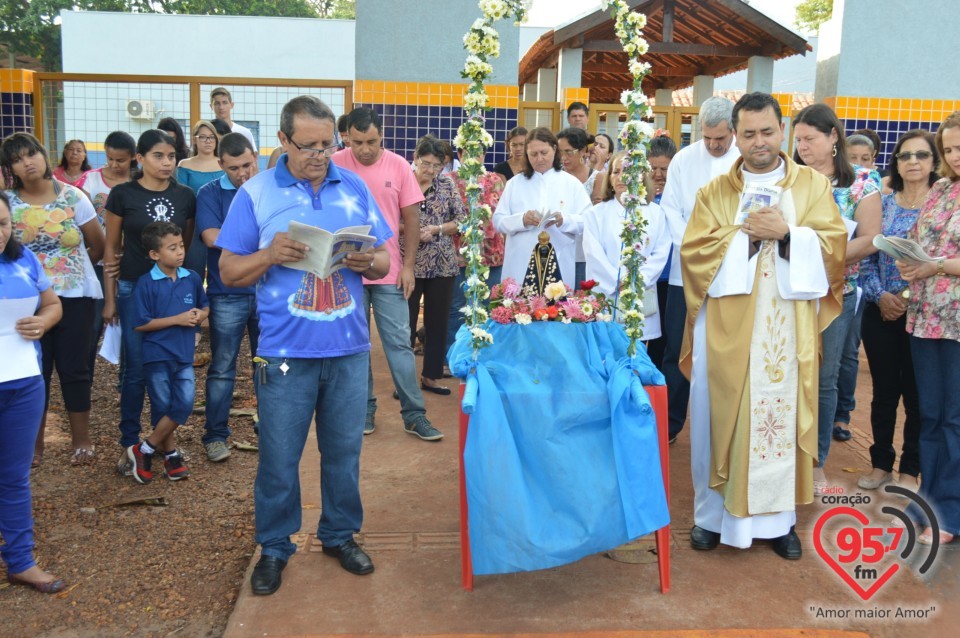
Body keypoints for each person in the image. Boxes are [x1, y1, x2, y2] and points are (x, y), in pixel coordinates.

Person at [217, 95, 392, 595]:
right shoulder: (255, 193)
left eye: (328, 144)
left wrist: (368, 263)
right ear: (282, 141)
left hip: (348, 348)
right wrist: (269, 254)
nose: (322, 154)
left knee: (344, 453)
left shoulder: (353, 185)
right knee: (279, 456)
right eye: (309, 145)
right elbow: (229, 271)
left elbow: (383, 262)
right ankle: (274, 547)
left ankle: (338, 534)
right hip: (285, 354)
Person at [680, 92, 847, 558]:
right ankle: (712, 518)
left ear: (783, 131)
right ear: (735, 136)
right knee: (720, 414)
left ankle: (779, 523)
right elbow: (694, 254)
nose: (759, 142)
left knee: (782, 415)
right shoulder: (715, 192)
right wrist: (747, 240)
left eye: (767, 131)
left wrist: (790, 234)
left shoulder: (812, 186)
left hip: (787, 329)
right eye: (748, 133)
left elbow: (834, 246)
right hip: (727, 330)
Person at [331, 107, 443, 442]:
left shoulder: (397, 166)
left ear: (383, 137)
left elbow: (411, 219)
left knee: (399, 344)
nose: (365, 149)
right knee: (357, 346)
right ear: (346, 137)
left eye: (372, 141)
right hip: (347, 271)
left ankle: (414, 414)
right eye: (357, 142)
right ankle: (364, 409)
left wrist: (408, 266)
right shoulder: (335, 164)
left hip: (389, 272)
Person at [793, 103, 881, 492]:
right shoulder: (791, 180)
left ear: (833, 137)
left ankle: (815, 461)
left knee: (824, 378)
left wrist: (825, 255)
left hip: (837, 293)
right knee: (788, 373)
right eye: (797, 140)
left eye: (810, 139)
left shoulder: (863, 182)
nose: (803, 147)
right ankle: (783, 455)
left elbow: (871, 238)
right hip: (791, 291)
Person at [2, 132, 104, 468]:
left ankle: (82, 442)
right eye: (17, 158)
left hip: (75, 296)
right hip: (25, 303)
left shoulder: (74, 197)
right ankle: (35, 446)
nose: (26, 162)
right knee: (35, 370)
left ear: (44, 156)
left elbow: (98, 245)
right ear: (10, 167)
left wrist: (67, 269)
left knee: (75, 369)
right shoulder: (7, 203)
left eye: (31, 154)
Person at [102, 129, 196, 475]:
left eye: (171, 156)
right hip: (131, 290)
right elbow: (111, 249)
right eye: (158, 156)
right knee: (135, 371)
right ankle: (129, 444)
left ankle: (160, 444)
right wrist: (110, 299)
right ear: (139, 159)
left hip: (170, 295)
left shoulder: (185, 195)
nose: (167, 162)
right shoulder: (122, 194)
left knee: (167, 368)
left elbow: (181, 246)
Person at [858, 130, 938, 492]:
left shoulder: (941, 209)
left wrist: (906, 297)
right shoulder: (884, 205)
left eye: (922, 155)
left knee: (917, 394)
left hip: (924, 314)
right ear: (896, 162)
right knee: (885, 392)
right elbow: (866, 258)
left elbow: (939, 262)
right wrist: (881, 297)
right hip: (881, 312)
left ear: (934, 161)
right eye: (906, 156)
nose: (913, 162)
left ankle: (910, 470)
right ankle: (880, 464)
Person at [660, 96, 740, 444]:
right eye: (707, 137)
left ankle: (724, 430)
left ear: (734, 130)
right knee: (677, 349)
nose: (713, 144)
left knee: (726, 352)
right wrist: (695, 248)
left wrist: (723, 249)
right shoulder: (683, 159)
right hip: (686, 273)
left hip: (733, 272)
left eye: (720, 138)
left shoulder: (745, 161)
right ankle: (669, 424)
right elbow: (670, 210)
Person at [896, 111, 960, 546]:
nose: (955, 156)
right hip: (924, 317)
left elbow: (939, 256)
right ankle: (930, 502)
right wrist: (905, 256)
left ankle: (951, 513)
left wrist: (934, 264)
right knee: (930, 416)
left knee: (955, 419)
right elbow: (920, 236)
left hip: (957, 322)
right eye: (949, 149)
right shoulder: (940, 189)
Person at [0, 191, 65, 593]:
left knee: (14, 476)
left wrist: (43, 323)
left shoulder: (24, 258)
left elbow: (53, 303)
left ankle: (21, 560)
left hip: (24, 381)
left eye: (3, 224)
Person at [126, 222, 209, 483]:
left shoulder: (192, 278)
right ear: (154, 254)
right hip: (157, 355)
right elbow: (140, 323)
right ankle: (171, 456)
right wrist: (178, 319)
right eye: (172, 248)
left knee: (183, 404)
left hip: (184, 355)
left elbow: (205, 307)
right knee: (163, 407)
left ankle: (145, 448)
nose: (180, 252)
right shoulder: (146, 283)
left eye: (181, 245)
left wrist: (200, 314)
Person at [196, 133, 260, 462]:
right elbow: (211, 237)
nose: (242, 173)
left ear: (257, 158)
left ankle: (273, 430)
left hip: (267, 292)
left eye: (247, 165)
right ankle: (216, 434)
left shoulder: (269, 189)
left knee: (269, 364)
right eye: (233, 167)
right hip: (227, 294)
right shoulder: (209, 193)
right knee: (222, 367)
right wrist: (264, 248)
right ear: (221, 165)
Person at [582, 151, 669, 341]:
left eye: (628, 171)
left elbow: (660, 253)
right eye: (615, 171)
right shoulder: (595, 215)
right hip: (607, 295)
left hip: (641, 295)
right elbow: (594, 255)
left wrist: (637, 280)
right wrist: (618, 280)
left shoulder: (656, 213)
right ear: (609, 177)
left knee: (638, 349)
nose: (621, 177)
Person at [493, 127, 590, 293]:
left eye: (544, 152)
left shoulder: (571, 183)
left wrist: (564, 220)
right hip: (520, 261)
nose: (539, 159)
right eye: (533, 154)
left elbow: (587, 221)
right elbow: (498, 221)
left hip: (559, 257)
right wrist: (521, 220)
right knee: (520, 310)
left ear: (554, 149)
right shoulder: (515, 184)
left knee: (556, 310)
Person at [405, 136, 466, 398]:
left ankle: (431, 376)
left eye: (436, 166)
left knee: (437, 322)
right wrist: (412, 230)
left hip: (442, 263)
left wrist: (438, 229)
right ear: (416, 158)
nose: (430, 170)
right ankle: (405, 380)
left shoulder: (447, 184)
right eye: (426, 164)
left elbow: (462, 220)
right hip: (408, 262)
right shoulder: (403, 180)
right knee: (405, 324)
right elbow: (386, 217)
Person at [831, 130, 881, 444]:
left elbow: (874, 241)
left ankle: (841, 414)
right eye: (853, 158)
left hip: (858, 286)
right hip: (829, 282)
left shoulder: (873, 190)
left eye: (866, 159)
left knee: (848, 354)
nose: (859, 164)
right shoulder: (830, 186)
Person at [76, 131, 137, 381]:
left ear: (133, 158)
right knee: (93, 324)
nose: (114, 165)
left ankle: (126, 380)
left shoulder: (138, 181)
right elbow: (77, 215)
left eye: (120, 160)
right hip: (97, 263)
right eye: (110, 159)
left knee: (129, 324)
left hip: (128, 262)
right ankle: (84, 377)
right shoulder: (90, 180)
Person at [445, 158, 505, 354]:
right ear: (460, 154)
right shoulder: (449, 180)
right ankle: (453, 352)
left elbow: (501, 213)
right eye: (470, 152)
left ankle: (484, 352)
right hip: (459, 254)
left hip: (491, 254)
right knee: (456, 306)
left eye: (480, 152)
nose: (474, 157)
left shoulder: (495, 180)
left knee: (488, 304)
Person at [178, 120, 225, 287]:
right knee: (193, 269)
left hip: (221, 224)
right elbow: (182, 198)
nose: (207, 141)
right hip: (194, 225)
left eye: (211, 137)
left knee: (221, 270)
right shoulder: (185, 165)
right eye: (203, 137)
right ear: (195, 140)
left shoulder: (223, 163)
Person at [645, 134, 678, 369]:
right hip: (647, 278)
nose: (658, 174)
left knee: (666, 338)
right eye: (652, 168)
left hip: (670, 277)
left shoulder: (678, 193)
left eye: (664, 169)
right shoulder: (638, 193)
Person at [557, 128, 597, 289]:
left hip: (584, 251)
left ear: (582, 151)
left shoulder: (597, 177)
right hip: (560, 248)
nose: (563, 158)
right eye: (560, 152)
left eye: (569, 152)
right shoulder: (556, 177)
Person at [210, 87, 258, 152]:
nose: (221, 107)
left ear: (232, 105)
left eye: (225, 102)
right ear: (211, 106)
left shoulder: (244, 132)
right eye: (217, 103)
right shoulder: (207, 132)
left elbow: (252, 158)